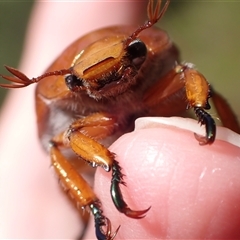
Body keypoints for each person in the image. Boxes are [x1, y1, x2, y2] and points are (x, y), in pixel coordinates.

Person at [1, 1, 240, 239]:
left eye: (133, 55)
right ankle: (91, 207)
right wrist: (108, 169)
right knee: (67, 140)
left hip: (156, 102)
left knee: (187, 73)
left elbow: (186, 74)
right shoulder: (61, 102)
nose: (112, 83)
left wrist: (199, 107)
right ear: (71, 85)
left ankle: (209, 117)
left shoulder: (158, 57)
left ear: (140, 50)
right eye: (77, 83)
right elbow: (59, 141)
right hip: (95, 138)